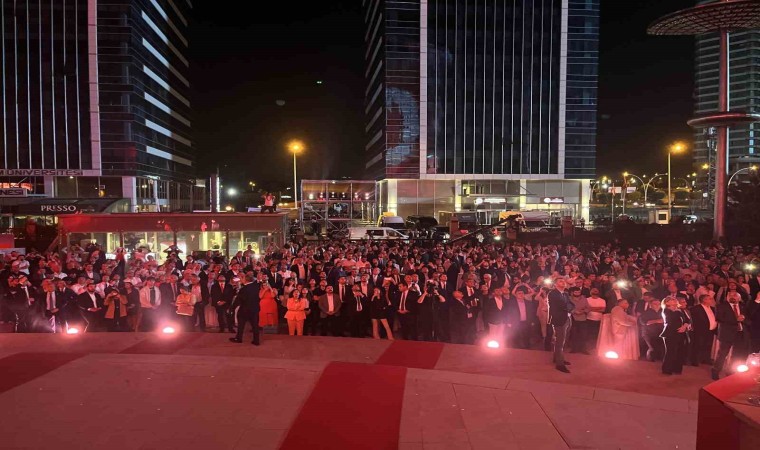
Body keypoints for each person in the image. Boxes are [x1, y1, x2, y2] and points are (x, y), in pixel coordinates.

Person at [712, 293, 752, 380]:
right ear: (727, 297)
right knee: (722, 353)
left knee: (736, 354)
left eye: (735, 296)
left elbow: (749, 320)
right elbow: (719, 318)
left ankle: (730, 371)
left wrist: (744, 319)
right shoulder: (721, 306)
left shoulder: (743, 307)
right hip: (727, 333)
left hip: (740, 333)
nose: (732, 297)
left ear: (739, 298)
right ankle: (715, 371)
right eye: (730, 295)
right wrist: (735, 319)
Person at [548, 278, 573, 373]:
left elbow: (571, 304)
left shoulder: (565, 294)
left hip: (567, 318)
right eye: (560, 281)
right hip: (559, 320)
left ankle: (557, 358)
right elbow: (560, 306)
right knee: (560, 342)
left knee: (562, 341)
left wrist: (569, 308)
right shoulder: (553, 293)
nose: (563, 282)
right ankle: (560, 364)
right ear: (555, 284)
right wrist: (568, 308)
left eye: (563, 281)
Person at [230, 273, 261, 345]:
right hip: (255, 308)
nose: (241, 280)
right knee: (255, 325)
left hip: (244, 309)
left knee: (241, 325)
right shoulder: (256, 286)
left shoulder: (244, 289)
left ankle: (239, 338)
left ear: (245, 279)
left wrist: (232, 308)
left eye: (242, 278)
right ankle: (256, 340)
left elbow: (239, 300)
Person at [660, 297, 687, 376]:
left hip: (680, 332)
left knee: (680, 351)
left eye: (674, 299)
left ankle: (677, 368)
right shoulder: (666, 311)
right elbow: (671, 320)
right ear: (667, 303)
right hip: (670, 333)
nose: (674, 300)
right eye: (671, 300)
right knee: (671, 351)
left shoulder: (679, 310)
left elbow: (686, 320)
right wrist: (678, 310)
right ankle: (667, 369)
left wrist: (684, 326)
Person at [689, 294, 717, 366]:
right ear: (704, 300)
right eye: (709, 299)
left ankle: (706, 359)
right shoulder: (696, 308)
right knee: (698, 345)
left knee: (708, 345)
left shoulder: (713, 308)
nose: (711, 300)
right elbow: (694, 320)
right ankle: (695, 360)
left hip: (711, 330)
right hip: (700, 331)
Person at [569, 287, 590, 354]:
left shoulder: (584, 299)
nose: (577, 293)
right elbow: (567, 307)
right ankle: (574, 349)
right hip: (573, 319)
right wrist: (574, 311)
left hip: (583, 319)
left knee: (583, 335)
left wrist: (583, 311)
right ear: (572, 293)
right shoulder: (569, 299)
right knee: (574, 334)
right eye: (576, 292)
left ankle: (583, 349)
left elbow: (588, 308)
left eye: (579, 292)